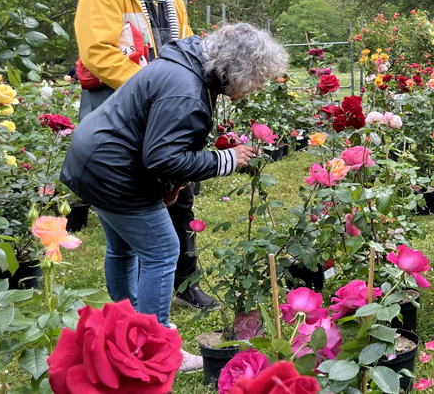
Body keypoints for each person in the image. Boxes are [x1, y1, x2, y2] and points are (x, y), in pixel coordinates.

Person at [61, 23, 285, 370]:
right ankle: (155, 346)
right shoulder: (186, 90)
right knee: (163, 251)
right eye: (258, 77)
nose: (260, 86)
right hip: (113, 171)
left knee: (122, 248)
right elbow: (162, 157)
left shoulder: (187, 63)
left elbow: (159, 144)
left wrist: (171, 182)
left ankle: (127, 329)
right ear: (237, 68)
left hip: (94, 158)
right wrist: (227, 158)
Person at [73, 0, 215, 314]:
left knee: (180, 196)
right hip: (121, 113)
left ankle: (183, 283)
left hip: (163, 112)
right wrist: (155, 91)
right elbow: (99, 53)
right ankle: (136, 313)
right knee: (126, 224)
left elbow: (188, 49)